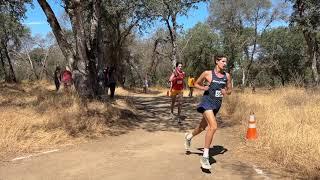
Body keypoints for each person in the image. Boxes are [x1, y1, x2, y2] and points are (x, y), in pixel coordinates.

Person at [184, 54, 232, 170]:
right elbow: (195, 84)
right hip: (206, 103)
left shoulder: (227, 76)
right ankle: (205, 157)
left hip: (216, 105)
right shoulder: (207, 73)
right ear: (217, 61)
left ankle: (189, 137)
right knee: (213, 126)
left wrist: (226, 92)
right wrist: (203, 88)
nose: (225, 64)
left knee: (202, 127)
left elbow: (230, 90)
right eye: (223, 61)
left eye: (226, 62)